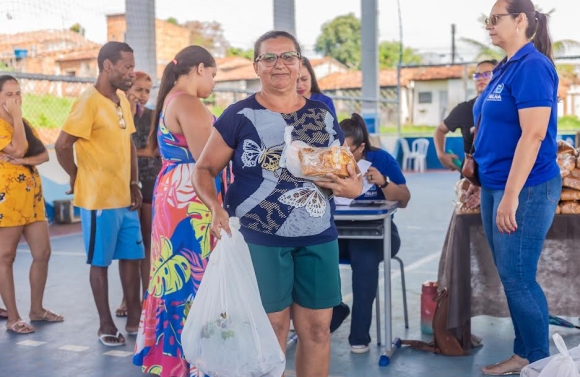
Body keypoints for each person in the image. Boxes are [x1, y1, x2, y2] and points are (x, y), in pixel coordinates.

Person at [192, 30, 363, 377]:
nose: (279, 64)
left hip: (318, 234)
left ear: (300, 63)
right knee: (271, 330)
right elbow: (204, 169)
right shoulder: (238, 114)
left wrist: (353, 188)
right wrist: (216, 207)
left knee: (317, 330)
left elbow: (346, 170)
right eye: (268, 58)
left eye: (287, 56)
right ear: (257, 66)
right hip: (260, 236)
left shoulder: (324, 112)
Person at [475, 1, 561, 374]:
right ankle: (525, 352)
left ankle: (542, 363)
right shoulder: (503, 68)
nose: (489, 26)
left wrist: (511, 196)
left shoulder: (533, 66)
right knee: (512, 276)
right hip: (495, 185)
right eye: (487, 20)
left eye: (496, 19)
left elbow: (535, 133)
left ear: (520, 20)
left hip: (524, 188)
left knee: (519, 278)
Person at [133, 46, 219, 377]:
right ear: (200, 68)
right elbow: (208, 161)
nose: (213, 82)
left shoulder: (170, 97)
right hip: (190, 198)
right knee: (191, 276)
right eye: (213, 74)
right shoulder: (188, 102)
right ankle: (189, 362)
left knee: (174, 277)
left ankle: (169, 360)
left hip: (174, 193)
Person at [55, 42, 144, 347]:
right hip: (98, 200)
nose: (131, 73)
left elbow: (129, 146)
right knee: (100, 262)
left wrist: (134, 184)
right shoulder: (88, 101)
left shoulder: (119, 100)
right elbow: (62, 145)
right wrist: (76, 175)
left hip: (124, 197)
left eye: (132, 67)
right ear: (108, 66)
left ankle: (136, 321)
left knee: (132, 259)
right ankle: (105, 324)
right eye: (126, 67)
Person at [332, 113, 411, 353]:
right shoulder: (331, 161)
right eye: (338, 151)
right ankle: (335, 308)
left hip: (379, 233)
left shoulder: (381, 159)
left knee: (364, 258)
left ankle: (359, 335)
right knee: (312, 251)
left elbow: (405, 199)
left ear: (361, 148)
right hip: (340, 232)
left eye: (348, 152)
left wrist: (384, 183)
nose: (343, 157)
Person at [0, 75, 63, 334]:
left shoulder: (23, 123)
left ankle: (36, 309)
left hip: (33, 198)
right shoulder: (13, 123)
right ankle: (13, 317)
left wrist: (23, 161)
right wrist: (15, 119)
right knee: (6, 257)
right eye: (9, 94)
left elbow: (43, 155)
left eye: (18, 94)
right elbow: (16, 148)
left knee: (43, 253)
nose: (16, 99)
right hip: (8, 201)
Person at [115, 71, 160, 318]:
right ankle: (128, 297)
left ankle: (148, 296)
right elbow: (115, 149)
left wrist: (136, 151)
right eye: (138, 90)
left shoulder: (154, 117)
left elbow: (156, 149)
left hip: (151, 184)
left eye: (147, 90)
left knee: (146, 243)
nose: (143, 95)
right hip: (124, 185)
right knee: (131, 247)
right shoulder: (118, 116)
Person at [434, 59, 497, 171]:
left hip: (500, 177)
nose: (481, 78)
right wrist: (441, 154)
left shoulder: (508, 108)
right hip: (471, 178)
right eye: (477, 75)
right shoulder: (464, 109)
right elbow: (440, 130)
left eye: (487, 74)